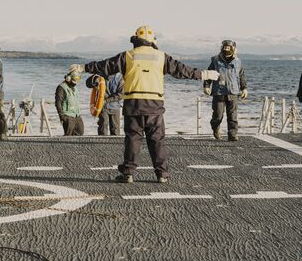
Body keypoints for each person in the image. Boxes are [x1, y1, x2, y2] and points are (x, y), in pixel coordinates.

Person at [83, 25, 219, 184]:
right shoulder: (161, 57)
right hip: (154, 105)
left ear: (136, 39)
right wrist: (204, 74)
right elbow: (182, 70)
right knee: (157, 141)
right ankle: (162, 174)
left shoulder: (127, 56)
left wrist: (83, 67)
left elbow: (105, 66)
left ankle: (128, 173)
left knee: (133, 140)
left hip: (133, 104)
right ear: (152, 41)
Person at [203, 40, 248, 141]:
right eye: (225, 47)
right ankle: (215, 128)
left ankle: (232, 135)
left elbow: (241, 76)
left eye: (228, 47)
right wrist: (206, 86)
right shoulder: (215, 60)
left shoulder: (238, 61)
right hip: (218, 92)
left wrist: (244, 88)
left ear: (233, 49)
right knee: (217, 116)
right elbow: (209, 74)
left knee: (233, 116)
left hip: (233, 92)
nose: (226, 49)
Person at [55, 65, 84, 136]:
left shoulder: (75, 88)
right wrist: (62, 117)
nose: (76, 83)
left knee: (80, 133)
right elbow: (58, 102)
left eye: (77, 81)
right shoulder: (61, 87)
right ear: (68, 78)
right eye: (74, 81)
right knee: (68, 136)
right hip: (67, 116)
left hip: (77, 115)